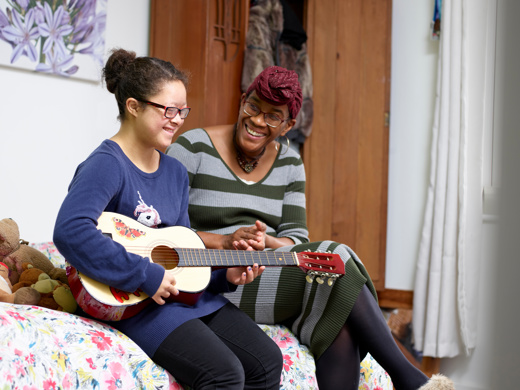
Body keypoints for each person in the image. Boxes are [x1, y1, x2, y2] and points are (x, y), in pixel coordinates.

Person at [166, 66, 455, 390]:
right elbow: (165, 228)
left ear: (288, 124)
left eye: (273, 116)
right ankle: (407, 378)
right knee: (338, 258)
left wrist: (264, 241)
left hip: (265, 269)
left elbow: (296, 239)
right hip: (214, 276)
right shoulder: (192, 148)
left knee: (340, 309)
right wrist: (225, 241)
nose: (259, 121)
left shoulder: (290, 163)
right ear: (242, 100)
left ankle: (407, 379)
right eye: (254, 107)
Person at [53, 49, 283, 390]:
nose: (178, 119)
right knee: (225, 374)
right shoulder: (107, 164)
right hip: (137, 303)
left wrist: (226, 277)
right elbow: (70, 231)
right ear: (133, 106)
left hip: (183, 296)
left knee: (268, 362)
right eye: (169, 110)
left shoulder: (174, 171)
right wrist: (145, 274)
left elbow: (180, 249)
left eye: (183, 111)